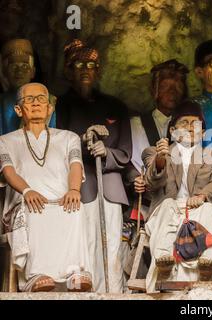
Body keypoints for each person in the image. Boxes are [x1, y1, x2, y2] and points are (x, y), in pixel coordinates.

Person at [56, 39, 132, 293]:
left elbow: (125, 153)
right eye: (79, 64)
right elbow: (57, 146)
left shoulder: (116, 106)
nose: (86, 69)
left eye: (91, 64)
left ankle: (113, 295)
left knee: (112, 247)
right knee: (84, 246)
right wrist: (84, 141)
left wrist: (106, 151)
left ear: (98, 70)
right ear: (69, 70)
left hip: (109, 186)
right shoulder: (60, 106)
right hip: (80, 187)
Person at [0, 83, 91, 292]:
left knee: (76, 209)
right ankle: (36, 274)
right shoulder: (5, 141)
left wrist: (74, 190)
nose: (36, 104)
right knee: (35, 210)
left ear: (50, 107)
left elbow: (75, 166)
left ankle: (75, 272)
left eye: (41, 99)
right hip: (26, 201)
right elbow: (9, 171)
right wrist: (27, 190)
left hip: (62, 199)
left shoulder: (69, 138)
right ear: (18, 109)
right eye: (29, 100)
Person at [142, 100, 212, 292]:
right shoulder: (154, 152)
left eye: (195, 123)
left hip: (198, 207)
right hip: (169, 208)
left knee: (209, 209)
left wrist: (202, 195)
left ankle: (208, 266)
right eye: (184, 123)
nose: (190, 127)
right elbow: (152, 182)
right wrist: (160, 159)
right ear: (172, 130)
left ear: (204, 132)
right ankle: (164, 264)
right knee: (167, 206)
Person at [127, 59, 189, 221]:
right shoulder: (136, 124)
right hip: (145, 200)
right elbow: (126, 159)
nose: (172, 92)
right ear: (154, 89)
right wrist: (135, 179)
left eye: (177, 88)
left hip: (180, 201)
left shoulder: (190, 128)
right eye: (166, 87)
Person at [0, 39, 56, 135]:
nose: (19, 71)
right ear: (5, 72)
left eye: (25, 66)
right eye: (14, 66)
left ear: (33, 72)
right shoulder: (1, 101)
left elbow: (51, 136)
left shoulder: (47, 101)